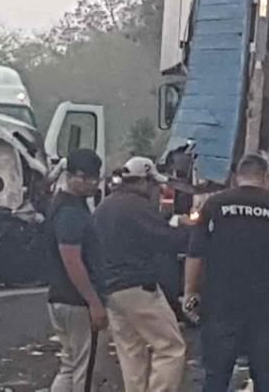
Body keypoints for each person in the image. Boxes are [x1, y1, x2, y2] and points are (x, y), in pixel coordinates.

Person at [183, 153, 269, 392]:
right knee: (265, 378)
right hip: (266, 308)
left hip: (221, 304)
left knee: (216, 375)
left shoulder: (215, 205)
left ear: (236, 178)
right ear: (266, 178)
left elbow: (195, 254)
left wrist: (190, 294)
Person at [93, 156, 191, 392]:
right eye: (154, 185)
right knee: (170, 347)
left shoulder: (105, 206)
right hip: (137, 287)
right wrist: (190, 229)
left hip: (110, 291)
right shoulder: (136, 206)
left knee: (131, 352)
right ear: (144, 181)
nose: (156, 190)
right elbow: (167, 240)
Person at [46, 148, 107, 392]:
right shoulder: (71, 212)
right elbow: (72, 259)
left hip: (60, 297)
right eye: (88, 177)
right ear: (72, 176)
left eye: (96, 177)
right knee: (86, 370)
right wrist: (93, 301)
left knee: (70, 365)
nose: (93, 183)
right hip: (77, 302)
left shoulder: (63, 204)